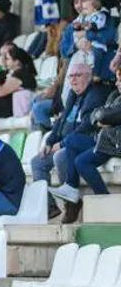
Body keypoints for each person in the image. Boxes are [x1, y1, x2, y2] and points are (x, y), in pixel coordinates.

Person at [51, 75, 121, 219]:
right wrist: (102, 118)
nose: (118, 83)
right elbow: (96, 115)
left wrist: (103, 117)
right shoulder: (115, 95)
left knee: (81, 160)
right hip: (104, 139)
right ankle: (72, 187)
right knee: (71, 141)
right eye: (118, 80)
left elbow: (104, 114)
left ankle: (103, 198)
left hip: (115, 142)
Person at [30, 62, 108, 188]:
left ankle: (70, 199)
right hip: (65, 141)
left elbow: (87, 125)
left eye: (78, 75)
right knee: (37, 162)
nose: (73, 79)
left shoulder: (95, 94)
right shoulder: (72, 95)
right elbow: (61, 121)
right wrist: (50, 141)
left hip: (81, 142)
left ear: (89, 77)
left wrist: (63, 143)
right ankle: (48, 204)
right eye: (70, 76)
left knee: (60, 157)